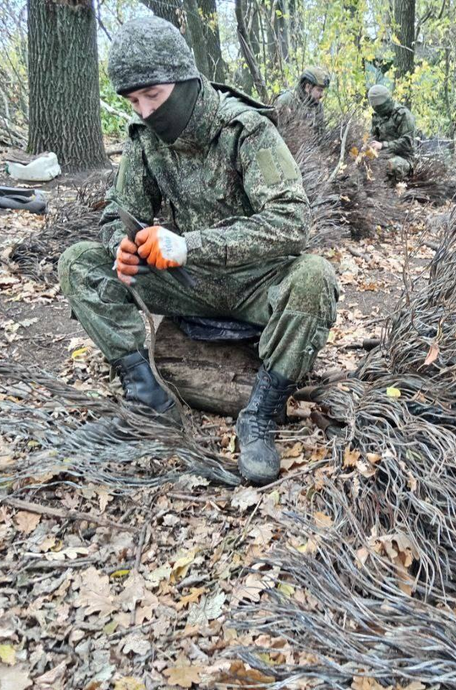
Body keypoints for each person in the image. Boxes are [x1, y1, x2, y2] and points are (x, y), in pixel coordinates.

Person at [58, 17, 338, 486]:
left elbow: (291, 224)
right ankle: (150, 400)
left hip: (255, 285)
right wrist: (121, 248)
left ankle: (261, 413)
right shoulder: (146, 141)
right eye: (133, 101)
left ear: (185, 80)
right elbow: (115, 213)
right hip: (187, 285)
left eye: (154, 95)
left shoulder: (245, 130)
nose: (145, 111)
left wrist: (189, 245)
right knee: (79, 264)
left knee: (315, 277)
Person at [366, 85, 416, 182]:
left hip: (403, 158)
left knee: (387, 166)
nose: (377, 109)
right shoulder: (378, 116)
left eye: (380, 107)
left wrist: (383, 145)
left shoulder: (403, 115)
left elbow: (407, 143)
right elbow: (373, 136)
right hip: (382, 155)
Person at [273, 67, 330, 131]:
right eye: (319, 90)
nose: (321, 95)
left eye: (322, 91)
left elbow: (320, 133)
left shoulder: (317, 107)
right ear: (308, 87)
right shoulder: (286, 101)